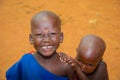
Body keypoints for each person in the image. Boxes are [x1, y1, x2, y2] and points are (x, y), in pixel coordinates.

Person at [6, 11, 74, 80]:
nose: (46, 40)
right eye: (39, 35)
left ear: (61, 37)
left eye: (52, 34)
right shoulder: (25, 62)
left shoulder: (66, 65)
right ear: (31, 39)